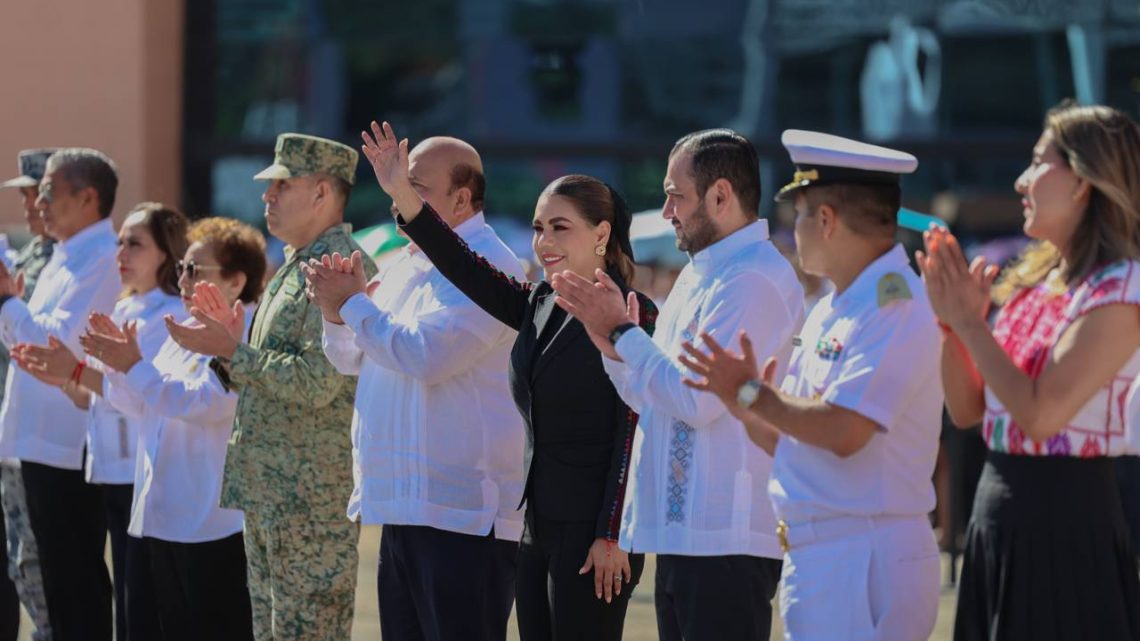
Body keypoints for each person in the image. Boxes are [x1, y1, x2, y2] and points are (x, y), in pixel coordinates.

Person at [362, 121, 654, 641]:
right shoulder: (540, 304)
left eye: (560, 227)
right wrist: (403, 195)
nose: (544, 242)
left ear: (602, 233)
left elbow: (633, 426)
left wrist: (613, 534)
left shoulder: (631, 311)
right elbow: (462, 265)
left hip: (593, 536)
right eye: (539, 228)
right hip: (535, 529)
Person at [678, 130, 943, 641]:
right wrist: (743, 402)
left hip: (866, 555)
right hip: (827, 554)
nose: (792, 230)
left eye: (797, 215)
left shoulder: (894, 304)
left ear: (826, 220)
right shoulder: (833, 306)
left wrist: (754, 393)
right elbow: (789, 442)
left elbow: (845, 432)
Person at [549, 128, 803, 641]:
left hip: (726, 539)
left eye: (674, 195)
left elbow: (696, 399)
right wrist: (613, 347)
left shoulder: (750, 279)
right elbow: (652, 395)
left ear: (720, 195)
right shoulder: (700, 274)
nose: (666, 212)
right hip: (689, 535)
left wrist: (621, 332)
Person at [921, 102, 1140, 641]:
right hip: (997, 515)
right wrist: (954, 328)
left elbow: (1041, 415)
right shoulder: (1034, 281)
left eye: (1039, 162)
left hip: (1067, 527)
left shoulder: (1120, 290)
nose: (1021, 181)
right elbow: (969, 410)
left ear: (1085, 181)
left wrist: (972, 328)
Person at [303, 136, 526, 641]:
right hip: (403, 504)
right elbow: (350, 360)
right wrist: (335, 313)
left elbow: (426, 357)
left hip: (462, 513)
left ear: (463, 199)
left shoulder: (494, 264)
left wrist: (355, 306)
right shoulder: (407, 262)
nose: (397, 199)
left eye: (412, 186)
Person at [166, 134, 375, 641]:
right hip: (273, 492)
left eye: (282, 185)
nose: (267, 196)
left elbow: (317, 382)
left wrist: (232, 349)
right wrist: (224, 349)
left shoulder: (342, 268)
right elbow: (269, 377)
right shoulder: (296, 266)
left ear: (323, 193)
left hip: (309, 504)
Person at [74, 217, 266, 641]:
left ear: (235, 282)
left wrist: (134, 366)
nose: (181, 279)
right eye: (181, 267)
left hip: (211, 522)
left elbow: (202, 403)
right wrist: (119, 365)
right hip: (164, 516)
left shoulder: (244, 336)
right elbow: (141, 405)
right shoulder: (190, 330)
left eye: (194, 270)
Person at [13, 202, 189, 641]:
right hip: (110, 471)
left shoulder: (170, 313)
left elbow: (142, 395)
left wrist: (74, 371)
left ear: (166, 253)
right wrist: (58, 376)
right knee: (128, 606)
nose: (122, 254)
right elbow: (93, 399)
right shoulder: (124, 310)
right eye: (120, 243)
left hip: (144, 475)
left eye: (135, 244)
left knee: (146, 610)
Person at [0, 148, 122, 641]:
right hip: (38, 441)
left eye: (49, 191)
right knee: (45, 580)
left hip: (66, 447)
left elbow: (53, 346)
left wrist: (8, 301)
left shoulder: (100, 260)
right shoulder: (65, 254)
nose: (38, 201)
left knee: (73, 590)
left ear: (88, 197)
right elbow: (27, 345)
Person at [0, 148, 56, 641]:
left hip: (44, 432)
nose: (26, 205)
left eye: (34, 194)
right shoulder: (30, 254)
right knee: (19, 554)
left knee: (39, 556)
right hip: (12, 423)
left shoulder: (64, 259)